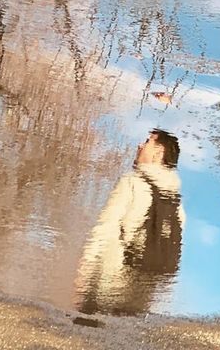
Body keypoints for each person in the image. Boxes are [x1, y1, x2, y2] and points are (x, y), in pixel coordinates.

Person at [75, 129, 184, 317]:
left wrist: (83, 274)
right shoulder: (176, 203)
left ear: (158, 154)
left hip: (109, 279)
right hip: (144, 288)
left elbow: (104, 229)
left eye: (147, 142)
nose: (140, 146)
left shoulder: (132, 183)